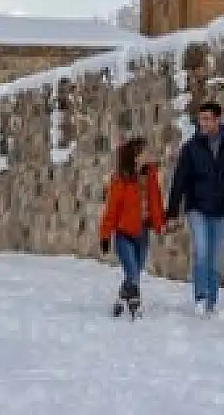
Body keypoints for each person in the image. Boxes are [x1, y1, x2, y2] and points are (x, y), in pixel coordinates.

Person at [165, 101, 224, 317]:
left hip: (221, 209)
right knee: (201, 251)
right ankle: (200, 297)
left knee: (216, 257)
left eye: (208, 119)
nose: (203, 123)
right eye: (201, 119)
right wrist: (171, 213)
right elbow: (179, 180)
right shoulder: (191, 148)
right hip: (197, 207)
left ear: (218, 120)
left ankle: (212, 300)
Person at [97, 136, 167, 319]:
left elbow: (156, 203)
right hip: (123, 234)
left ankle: (121, 298)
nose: (149, 155)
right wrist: (105, 236)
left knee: (136, 270)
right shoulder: (121, 180)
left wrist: (160, 225)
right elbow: (111, 209)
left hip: (142, 232)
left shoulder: (151, 175)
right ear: (136, 156)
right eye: (145, 152)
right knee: (133, 271)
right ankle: (135, 301)